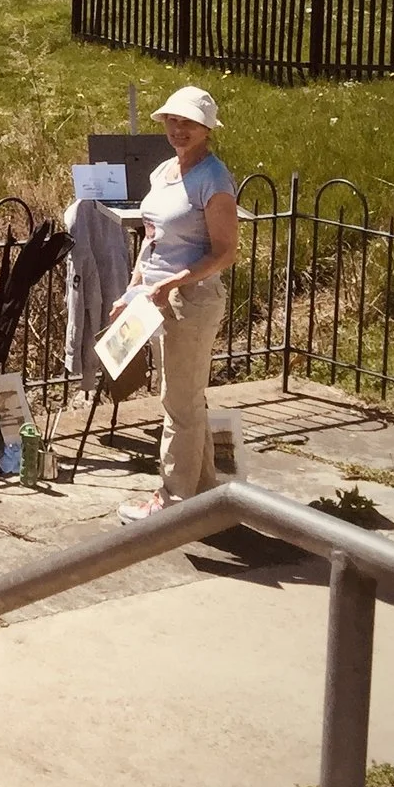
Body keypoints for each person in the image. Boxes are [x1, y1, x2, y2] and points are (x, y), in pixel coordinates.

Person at [114, 86, 239, 522]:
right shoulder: (164, 171)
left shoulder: (214, 180)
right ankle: (204, 497)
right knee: (186, 401)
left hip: (191, 301)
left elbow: (225, 252)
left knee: (180, 405)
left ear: (207, 129)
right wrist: (132, 289)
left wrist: (175, 282)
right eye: (172, 121)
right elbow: (153, 240)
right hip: (156, 299)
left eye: (188, 123)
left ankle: (171, 503)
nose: (179, 129)